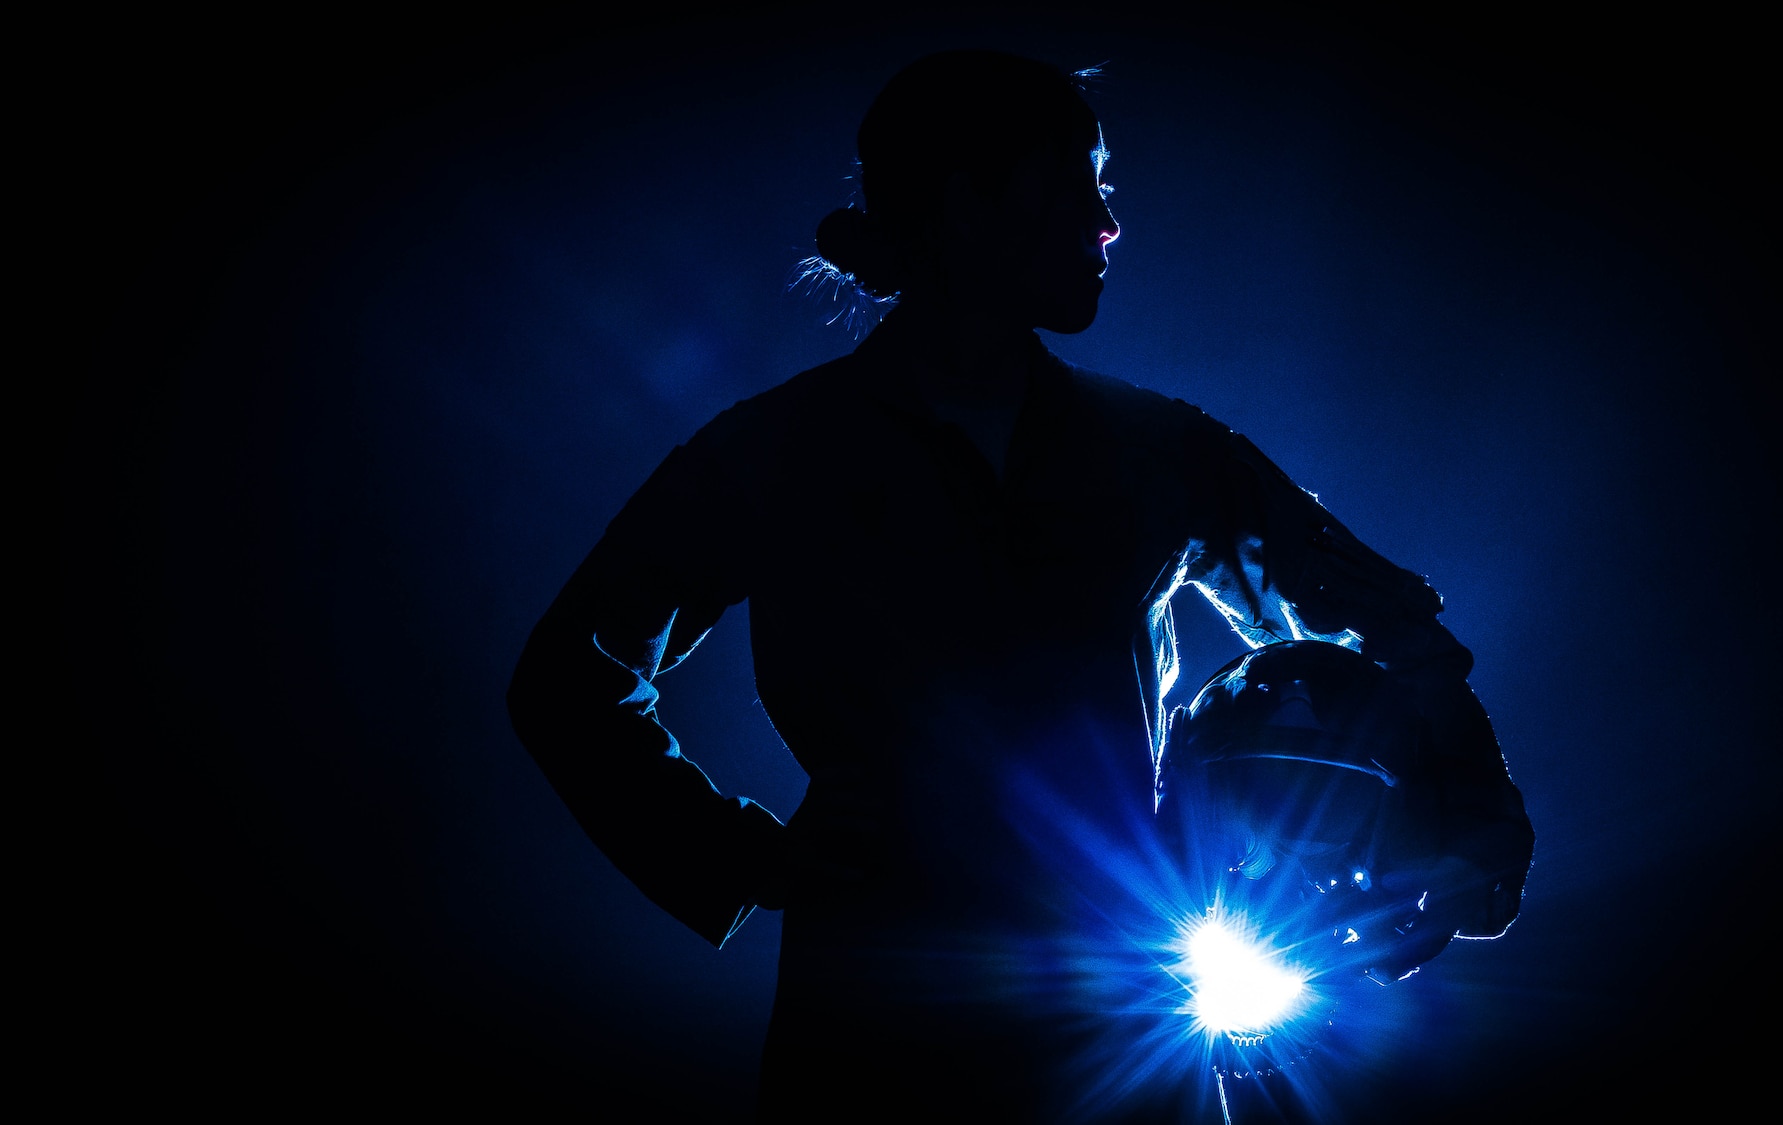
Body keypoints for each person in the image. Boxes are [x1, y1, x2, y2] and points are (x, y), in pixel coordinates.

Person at [507, 50, 1532, 1123]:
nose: (1107, 225)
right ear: (965, 203)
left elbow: (1394, 635)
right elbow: (565, 679)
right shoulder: (775, 454)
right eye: (1079, 185)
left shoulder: (1162, 448)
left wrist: (1473, 834)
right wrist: (746, 857)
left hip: (1120, 1007)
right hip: (881, 1025)